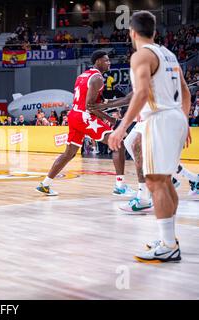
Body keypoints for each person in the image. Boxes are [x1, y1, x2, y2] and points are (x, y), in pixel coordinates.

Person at [108, 11, 190, 263]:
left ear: (132, 32)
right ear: (153, 31)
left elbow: (142, 93)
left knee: (155, 181)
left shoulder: (141, 55)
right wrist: (184, 122)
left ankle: (167, 244)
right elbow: (186, 92)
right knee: (163, 180)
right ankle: (169, 240)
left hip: (160, 119)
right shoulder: (169, 54)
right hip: (175, 117)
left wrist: (121, 127)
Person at [36, 51, 134, 196]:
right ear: (98, 61)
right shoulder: (98, 78)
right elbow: (90, 106)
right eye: (106, 60)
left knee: (68, 154)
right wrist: (110, 119)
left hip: (75, 115)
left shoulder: (83, 75)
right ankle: (120, 186)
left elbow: (91, 102)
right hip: (84, 116)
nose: (109, 63)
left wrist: (106, 111)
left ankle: (45, 184)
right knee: (117, 143)